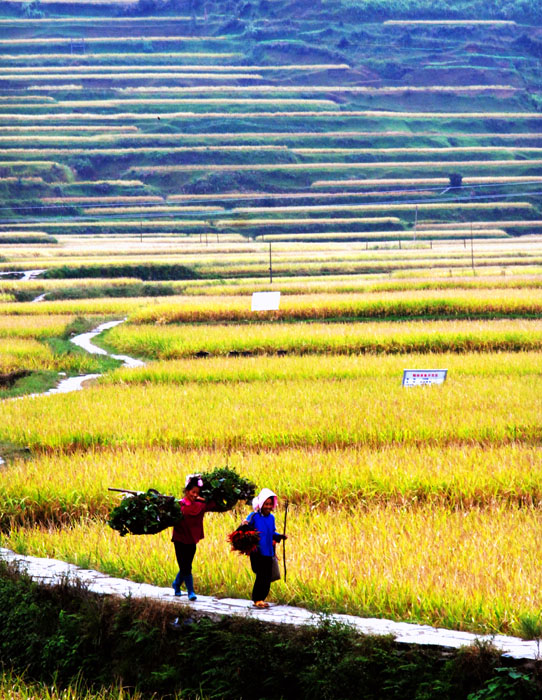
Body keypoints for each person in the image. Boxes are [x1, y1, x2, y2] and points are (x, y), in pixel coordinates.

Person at [172, 474, 216, 601]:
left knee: (186, 565)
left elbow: (214, 505)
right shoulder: (179, 505)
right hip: (179, 539)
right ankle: (191, 591)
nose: (195, 495)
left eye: (197, 492)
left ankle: (176, 584)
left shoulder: (201, 505)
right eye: (193, 492)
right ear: (187, 491)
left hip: (192, 539)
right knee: (186, 566)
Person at [243, 487, 287, 609]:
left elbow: (272, 533)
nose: (268, 506)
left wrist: (280, 536)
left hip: (269, 552)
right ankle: (257, 599)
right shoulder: (254, 516)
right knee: (261, 575)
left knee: (267, 577)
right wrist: (244, 525)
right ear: (261, 504)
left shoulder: (271, 518)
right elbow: (245, 527)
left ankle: (261, 599)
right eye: (266, 504)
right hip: (257, 552)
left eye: (270, 504)